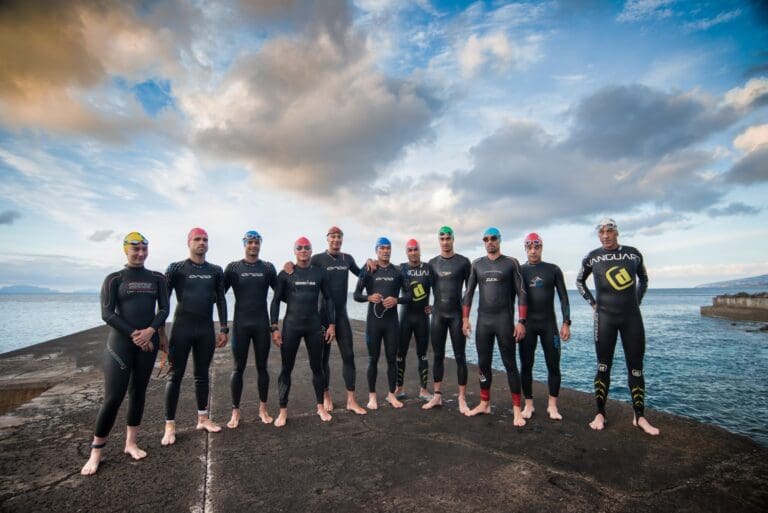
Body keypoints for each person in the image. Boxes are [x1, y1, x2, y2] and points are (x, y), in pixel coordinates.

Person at [81, 232, 169, 475]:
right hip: (120, 345)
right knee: (113, 397)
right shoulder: (114, 279)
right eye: (135, 249)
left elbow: (164, 309)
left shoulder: (157, 278)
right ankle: (96, 452)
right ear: (125, 250)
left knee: (138, 393)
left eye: (144, 249)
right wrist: (136, 335)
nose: (140, 253)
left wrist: (150, 331)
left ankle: (131, 443)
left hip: (147, 345)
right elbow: (107, 314)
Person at [575, 218, 659, 436]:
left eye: (609, 231)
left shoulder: (632, 253)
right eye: (601, 232)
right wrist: (593, 303)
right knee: (603, 366)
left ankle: (639, 417)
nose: (605, 235)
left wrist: (636, 301)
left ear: (616, 232)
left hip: (632, 318)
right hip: (604, 319)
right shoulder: (593, 257)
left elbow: (644, 279)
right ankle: (600, 413)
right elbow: (579, 282)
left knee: (636, 368)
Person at [162, 228, 228, 446]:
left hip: (205, 330)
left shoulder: (216, 270)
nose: (202, 243)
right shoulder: (176, 268)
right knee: (175, 376)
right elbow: (163, 300)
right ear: (189, 242)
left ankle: (203, 418)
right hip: (181, 329)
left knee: (202, 375)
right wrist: (160, 331)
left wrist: (224, 329)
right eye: (197, 239)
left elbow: (221, 300)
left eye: (205, 240)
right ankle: (170, 425)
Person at [461, 228, 528, 426]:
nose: (489, 242)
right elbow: (468, 293)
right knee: (483, 363)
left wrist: (521, 321)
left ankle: (517, 410)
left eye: (493, 238)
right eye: (486, 239)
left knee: (510, 365)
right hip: (484, 321)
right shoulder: (477, 264)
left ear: (499, 240)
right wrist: (465, 319)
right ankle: (484, 403)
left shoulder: (510, 263)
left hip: (504, 321)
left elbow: (522, 293)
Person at [270, 237, 336, 427]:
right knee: (286, 369)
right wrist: (274, 327)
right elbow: (275, 301)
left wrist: (331, 324)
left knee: (317, 368)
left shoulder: (319, 273)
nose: (304, 250)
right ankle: (282, 410)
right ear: (294, 251)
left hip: (314, 326)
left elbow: (329, 299)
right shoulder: (285, 273)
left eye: (307, 248)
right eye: (300, 248)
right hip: (291, 325)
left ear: (311, 250)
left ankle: (320, 407)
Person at [223, 230, 277, 428]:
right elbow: (219, 296)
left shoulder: (268, 268)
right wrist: (222, 327)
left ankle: (263, 408)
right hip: (240, 326)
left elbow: (279, 295)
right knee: (238, 368)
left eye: (256, 242)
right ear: (244, 243)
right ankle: (235, 411)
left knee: (263, 367)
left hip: (261, 325)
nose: (253, 245)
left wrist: (274, 326)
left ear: (260, 244)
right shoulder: (233, 268)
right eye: (250, 242)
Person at [518, 233, 571, 421]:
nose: (533, 251)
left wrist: (566, 322)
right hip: (528, 326)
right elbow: (509, 299)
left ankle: (552, 406)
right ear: (525, 248)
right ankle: (529, 404)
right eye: (530, 247)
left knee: (553, 366)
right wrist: (516, 323)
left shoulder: (553, 269)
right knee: (526, 366)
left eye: (537, 247)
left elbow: (564, 297)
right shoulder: (520, 271)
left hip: (549, 325)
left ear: (541, 247)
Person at [353, 237, 411, 410]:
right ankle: (372, 397)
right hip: (374, 323)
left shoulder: (399, 271)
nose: (386, 251)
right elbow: (356, 294)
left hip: (392, 323)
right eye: (382, 248)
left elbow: (409, 296)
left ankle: (391, 395)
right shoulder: (369, 269)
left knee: (392, 360)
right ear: (376, 250)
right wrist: (368, 297)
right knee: (373, 360)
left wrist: (397, 300)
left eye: (388, 248)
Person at [423, 226, 471, 413]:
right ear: (438, 241)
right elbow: (424, 288)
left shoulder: (463, 262)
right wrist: (428, 305)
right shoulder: (432, 263)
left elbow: (470, 290)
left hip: (457, 315)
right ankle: (437, 396)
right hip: (439, 316)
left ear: (453, 239)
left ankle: (461, 398)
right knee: (438, 356)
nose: (445, 241)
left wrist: (466, 317)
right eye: (442, 238)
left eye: (448, 238)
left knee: (460, 357)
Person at [395, 239, 432, 401]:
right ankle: (399, 389)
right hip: (405, 317)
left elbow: (442, 288)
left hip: (422, 317)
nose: (413, 252)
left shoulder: (428, 268)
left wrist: (435, 306)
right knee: (400, 354)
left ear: (420, 250)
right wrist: (371, 261)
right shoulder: (400, 268)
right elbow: (383, 273)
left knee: (423, 354)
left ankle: (423, 390)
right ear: (406, 252)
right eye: (410, 250)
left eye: (415, 249)